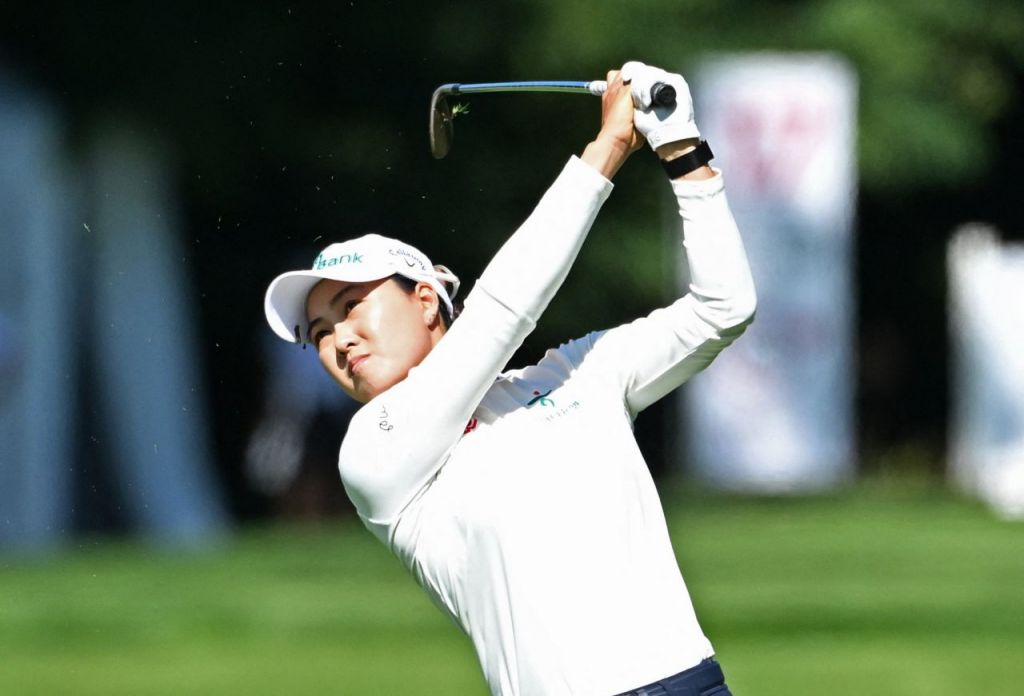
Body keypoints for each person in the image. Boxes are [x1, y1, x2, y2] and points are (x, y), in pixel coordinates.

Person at [264, 61, 755, 696]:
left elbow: (723, 308)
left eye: (352, 306)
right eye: (319, 333)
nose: (339, 339)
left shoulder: (574, 375)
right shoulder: (373, 451)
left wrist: (682, 149)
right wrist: (608, 146)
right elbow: (501, 313)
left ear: (426, 299)